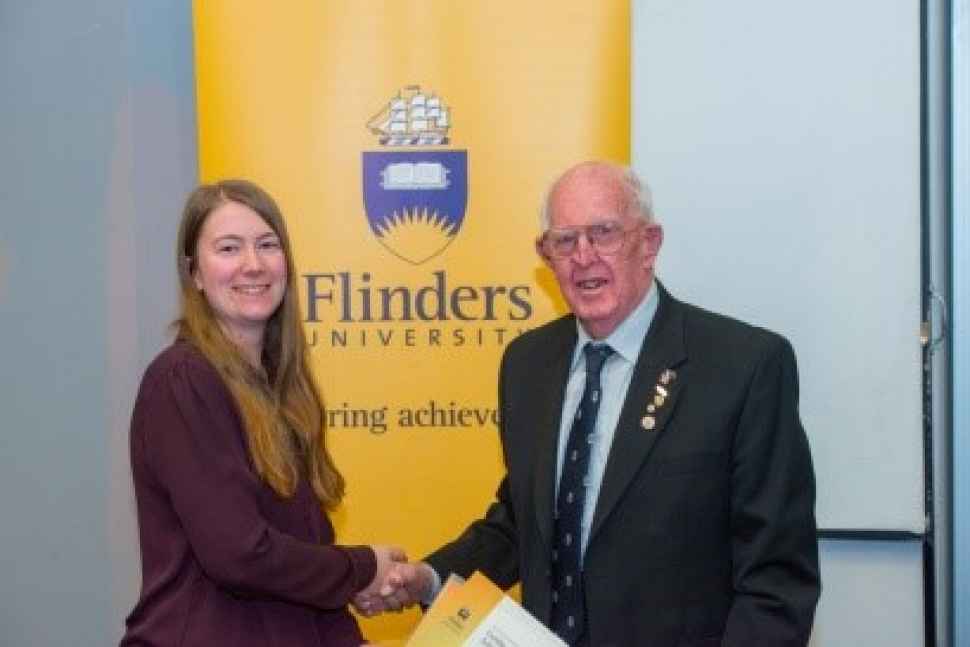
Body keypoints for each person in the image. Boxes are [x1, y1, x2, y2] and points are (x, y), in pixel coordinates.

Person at [361, 162, 821, 646]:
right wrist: (430, 579)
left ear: (649, 243)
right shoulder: (527, 364)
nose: (584, 257)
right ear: (546, 255)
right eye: (564, 241)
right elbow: (524, 525)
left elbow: (776, 581)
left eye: (604, 233)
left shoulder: (742, 367)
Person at [121, 179, 405, 646]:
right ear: (193, 273)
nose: (252, 264)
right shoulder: (184, 380)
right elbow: (240, 554)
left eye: (267, 245)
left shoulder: (284, 393)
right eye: (229, 248)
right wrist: (361, 569)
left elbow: (300, 576)